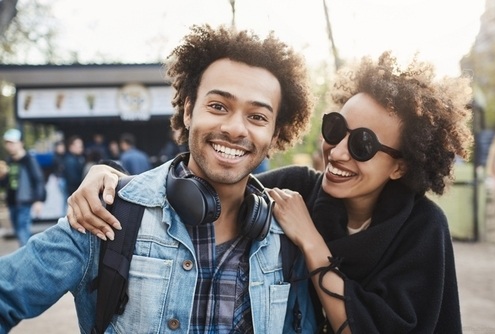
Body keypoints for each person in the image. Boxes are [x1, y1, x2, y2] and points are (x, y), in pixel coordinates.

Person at [66, 52, 472, 333]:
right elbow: (209, 179)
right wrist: (110, 177)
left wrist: (311, 243)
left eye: (363, 144)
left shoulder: (422, 227)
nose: (338, 151)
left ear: (402, 164)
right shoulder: (297, 186)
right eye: (335, 130)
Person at [0, 24, 317, 333]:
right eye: (218, 106)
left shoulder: (286, 240)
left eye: (257, 116)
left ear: (275, 133)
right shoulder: (106, 214)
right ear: (189, 111)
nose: (236, 128)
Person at [0, 128, 46, 246]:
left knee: (22, 231)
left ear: (20, 143)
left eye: (12, 143)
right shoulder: (9, 161)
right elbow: (6, 184)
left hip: (25, 201)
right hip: (12, 201)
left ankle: (27, 260)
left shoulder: (28, 160)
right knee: (18, 231)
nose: (10, 146)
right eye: (8, 143)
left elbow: (38, 179)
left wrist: (38, 200)